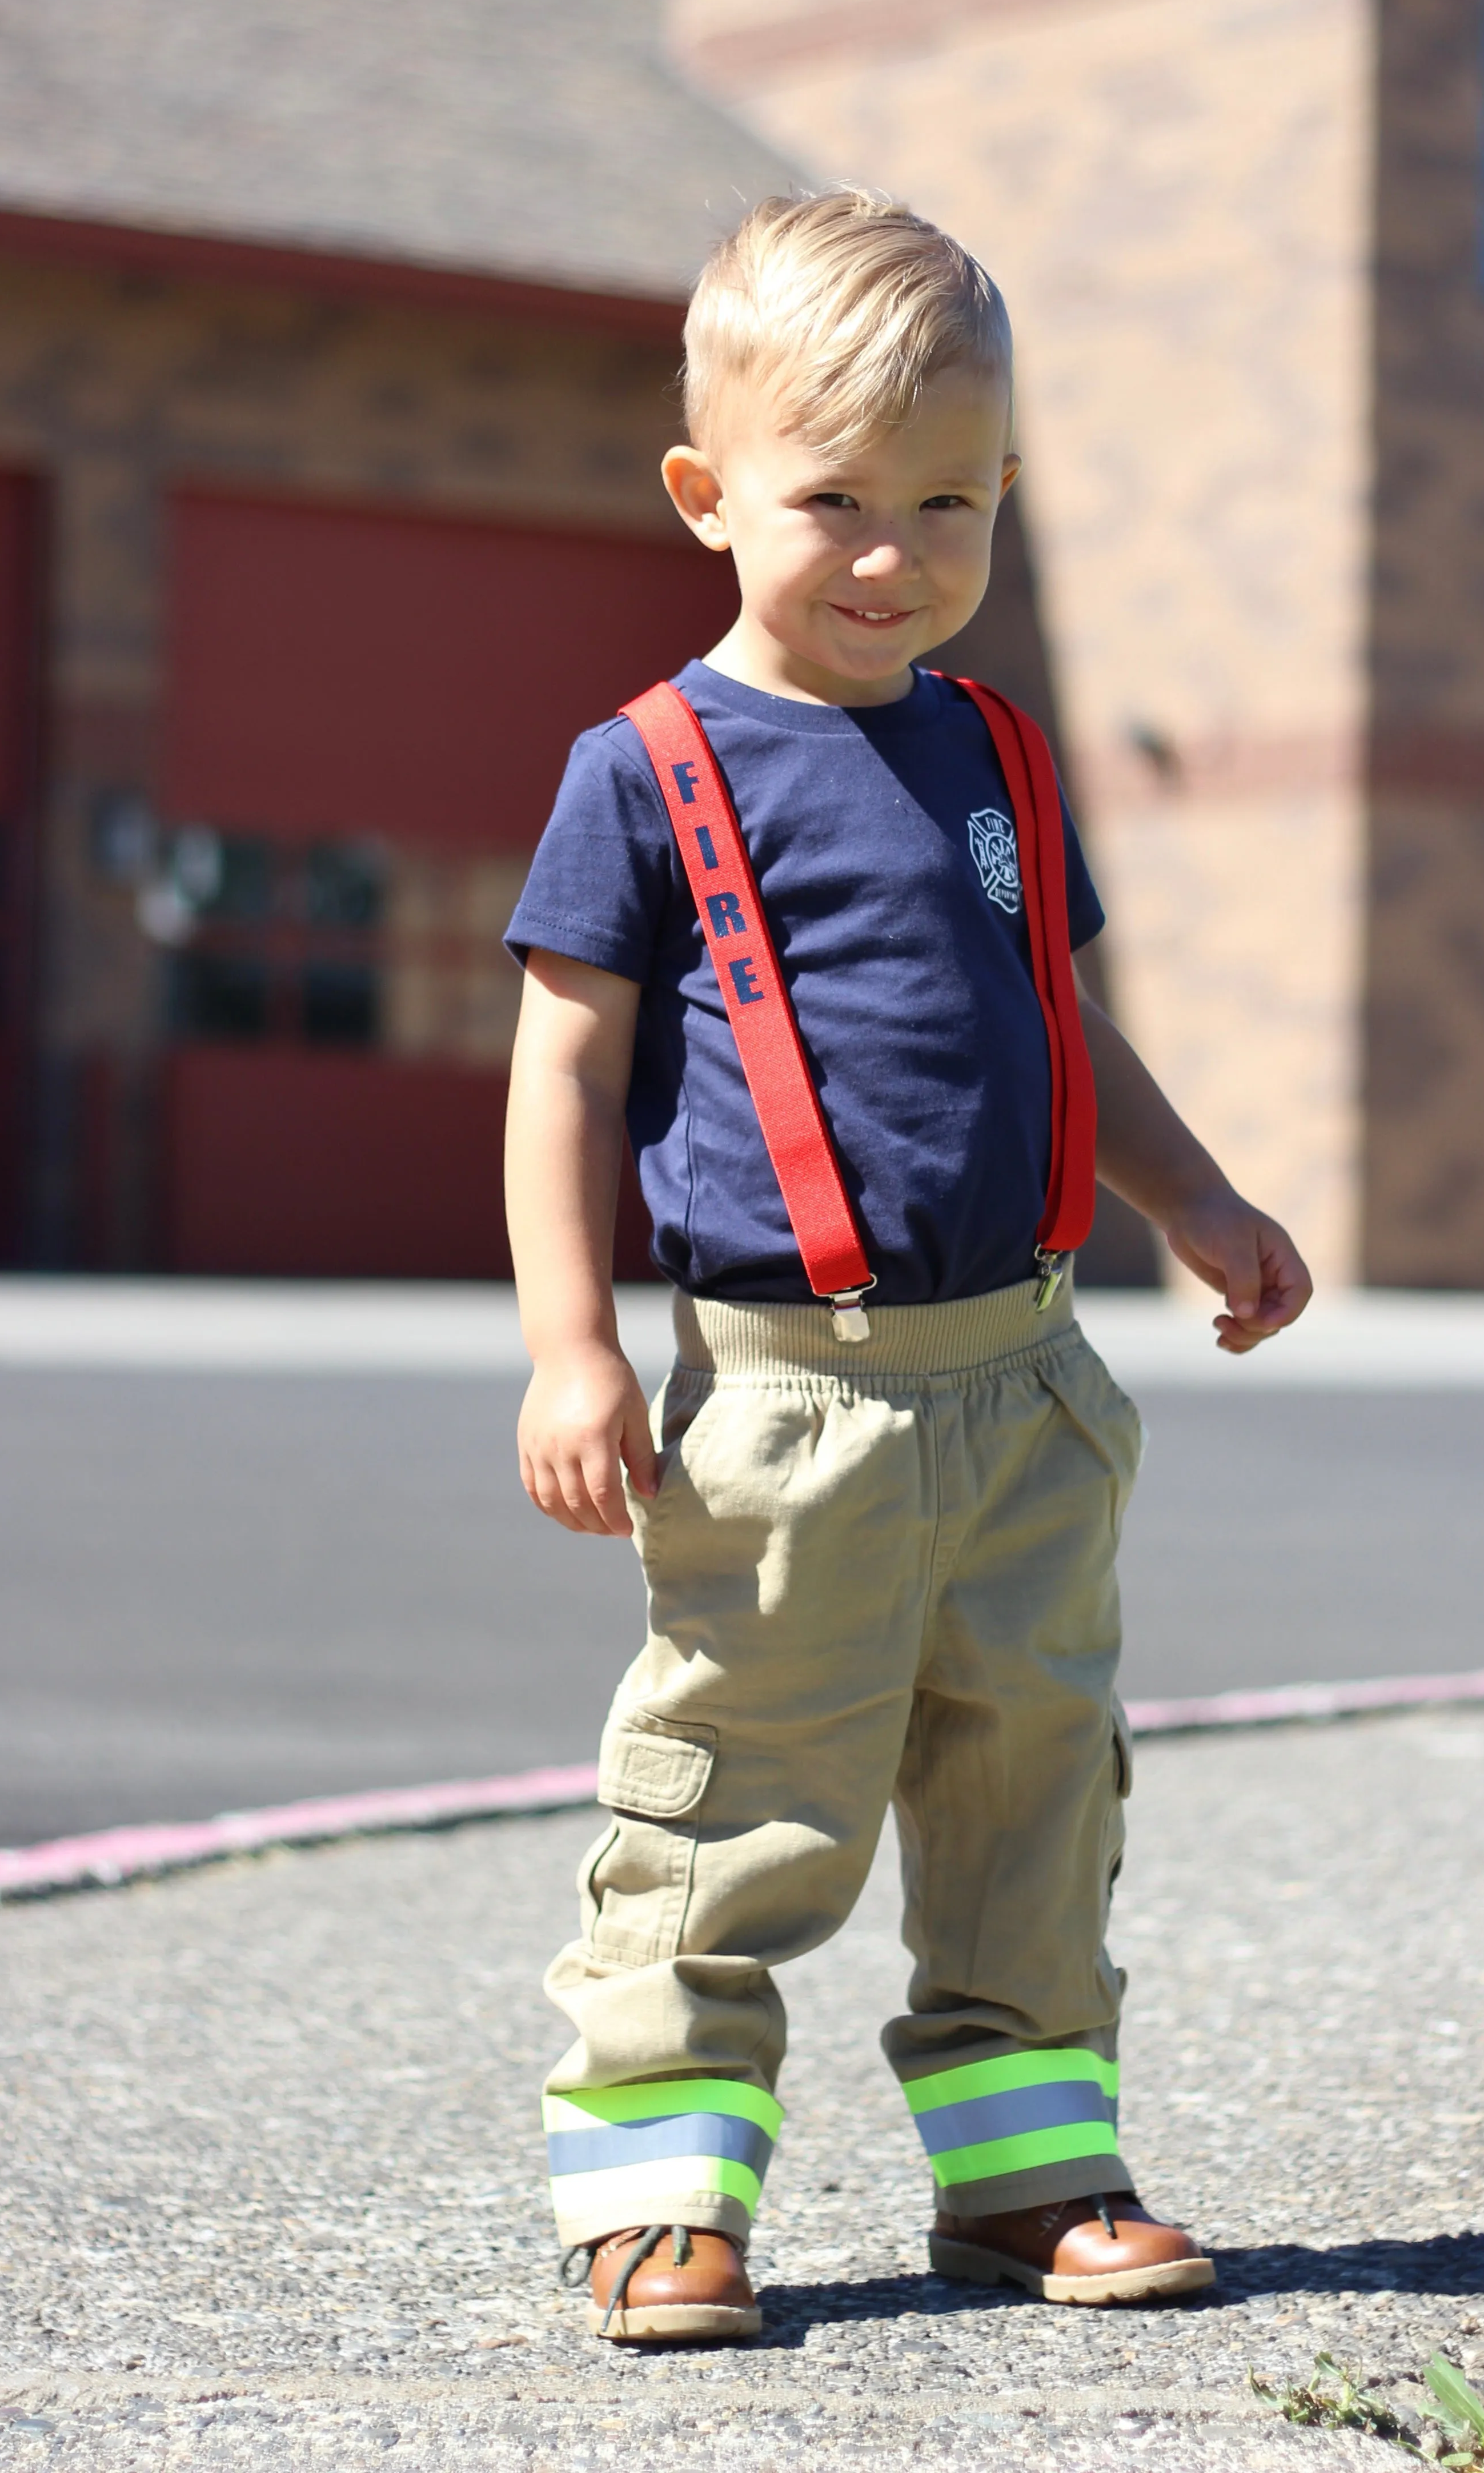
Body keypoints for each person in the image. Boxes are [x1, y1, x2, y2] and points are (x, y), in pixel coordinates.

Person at [503, 191, 1310, 2347]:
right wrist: (573, 1349)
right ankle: (661, 2186)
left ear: (1010, 497)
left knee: (1034, 1786)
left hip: (1033, 1388)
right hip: (788, 1403)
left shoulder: (1000, 760)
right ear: (707, 496)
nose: (891, 554)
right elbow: (565, 1071)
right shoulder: (652, 770)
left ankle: (1031, 2173)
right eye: (834, 500)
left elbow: (1059, 1023)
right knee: (732, 1796)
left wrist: (1197, 1200)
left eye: (946, 502)